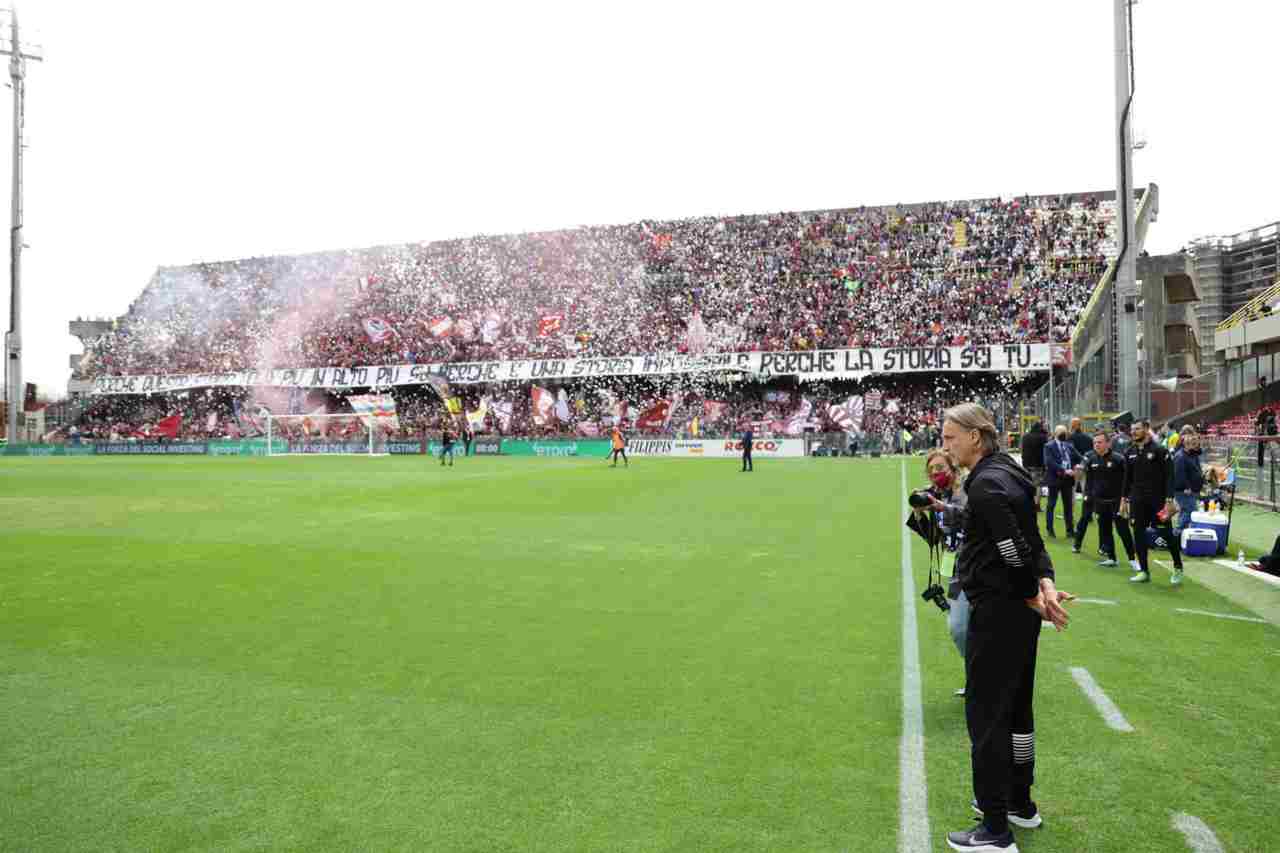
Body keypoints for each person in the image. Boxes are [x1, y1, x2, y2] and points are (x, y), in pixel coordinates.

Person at [941, 403, 1074, 853]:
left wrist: (1031, 593)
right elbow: (1033, 541)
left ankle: (995, 827)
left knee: (986, 718)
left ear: (975, 436)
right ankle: (1020, 801)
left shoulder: (984, 485)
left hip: (998, 613)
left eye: (950, 437)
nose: (945, 446)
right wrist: (1046, 583)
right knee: (1017, 712)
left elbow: (1014, 549)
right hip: (1018, 615)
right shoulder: (1012, 472)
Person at [905, 449, 970, 696]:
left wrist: (942, 507)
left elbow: (969, 517)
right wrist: (920, 511)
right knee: (961, 627)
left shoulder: (968, 490)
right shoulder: (937, 495)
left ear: (953, 468)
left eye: (940, 468)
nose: (936, 474)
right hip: (956, 570)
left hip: (980, 565)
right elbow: (933, 538)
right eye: (931, 470)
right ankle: (979, 677)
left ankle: (984, 679)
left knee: (967, 627)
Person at [1120, 419, 1183, 585]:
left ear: (1147, 429)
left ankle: (1178, 567)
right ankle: (1144, 571)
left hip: (1158, 502)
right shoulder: (1129, 452)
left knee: (1166, 534)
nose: (1133, 432)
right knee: (1138, 535)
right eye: (1132, 429)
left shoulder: (1160, 450)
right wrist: (1124, 499)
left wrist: (1169, 499)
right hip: (1137, 502)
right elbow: (1127, 479)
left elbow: (1170, 476)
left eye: (1137, 429)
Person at [1073, 430, 1138, 572]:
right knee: (1105, 530)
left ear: (1108, 443)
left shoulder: (1118, 459)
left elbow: (1128, 481)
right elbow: (1089, 481)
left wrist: (1126, 498)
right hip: (1100, 501)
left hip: (1117, 501)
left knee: (1123, 531)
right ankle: (1111, 557)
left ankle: (1133, 559)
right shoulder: (1091, 459)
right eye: (1095, 442)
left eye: (1100, 442)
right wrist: (1087, 495)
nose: (1096, 445)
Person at [1042, 425, 1083, 539]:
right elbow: (1049, 462)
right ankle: (1050, 529)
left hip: (1067, 480)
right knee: (1051, 505)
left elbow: (1079, 457)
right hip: (1054, 479)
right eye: (1061, 432)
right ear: (1055, 433)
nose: (1063, 434)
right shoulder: (1048, 446)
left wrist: (1079, 465)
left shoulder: (1069, 446)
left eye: (1065, 432)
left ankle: (1070, 530)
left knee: (1068, 506)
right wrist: (1064, 470)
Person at [1171, 428, 1204, 534]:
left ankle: (1180, 535)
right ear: (1184, 443)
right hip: (1184, 491)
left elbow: (1199, 451)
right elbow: (1179, 474)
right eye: (1191, 443)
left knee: (1186, 512)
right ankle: (1177, 533)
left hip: (1191, 489)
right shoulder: (1180, 456)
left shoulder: (1191, 454)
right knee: (1189, 511)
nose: (1194, 444)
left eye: (1194, 442)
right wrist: (1186, 487)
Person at [1020, 422, 1048, 512]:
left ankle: (1027, 504)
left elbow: (1022, 449)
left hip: (1027, 464)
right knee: (1038, 485)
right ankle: (1036, 505)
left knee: (1027, 484)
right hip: (1038, 464)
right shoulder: (1043, 437)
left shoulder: (1025, 437)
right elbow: (1045, 452)